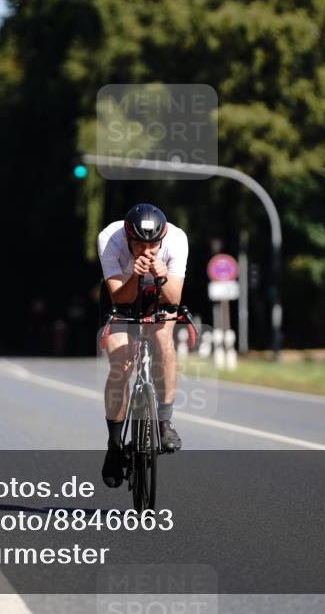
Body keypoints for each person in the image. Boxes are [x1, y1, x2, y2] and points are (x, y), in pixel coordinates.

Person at [97, 203, 188, 488]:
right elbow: (119, 299)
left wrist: (160, 276)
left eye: (153, 245)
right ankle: (114, 446)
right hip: (121, 296)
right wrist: (136, 275)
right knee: (120, 363)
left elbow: (173, 298)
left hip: (160, 297)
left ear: (162, 238)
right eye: (138, 245)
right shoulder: (109, 239)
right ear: (127, 239)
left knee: (163, 339)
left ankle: (163, 421)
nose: (147, 251)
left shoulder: (176, 240)